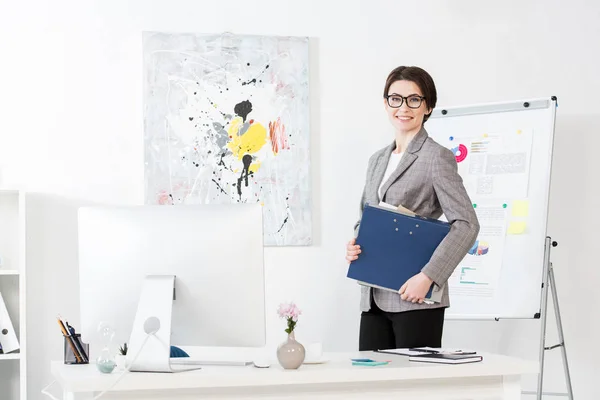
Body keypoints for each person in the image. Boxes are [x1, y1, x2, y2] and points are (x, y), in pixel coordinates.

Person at [346, 66, 480, 351]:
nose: (403, 107)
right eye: (396, 99)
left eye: (414, 100)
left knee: (415, 388)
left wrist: (429, 277)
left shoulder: (436, 157)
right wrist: (355, 244)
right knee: (371, 386)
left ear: (427, 106)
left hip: (415, 297)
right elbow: (365, 217)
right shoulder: (377, 159)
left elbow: (467, 223)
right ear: (386, 103)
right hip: (372, 296)